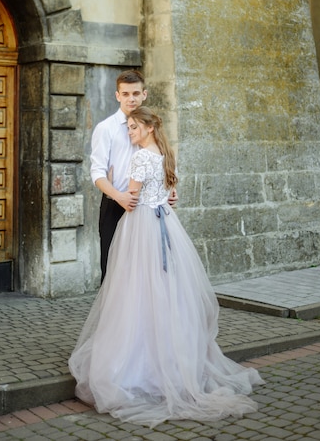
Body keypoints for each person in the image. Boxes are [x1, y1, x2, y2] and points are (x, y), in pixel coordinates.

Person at [69, 107, 264, 428]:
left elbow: (132, 197)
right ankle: (172, 361)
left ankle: (138, 367)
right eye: (128, 127)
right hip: (167, 225)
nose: (129, 132)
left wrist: (123, 191)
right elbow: (169, 193)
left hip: (142, 228)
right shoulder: (164, 154)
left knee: (135, 292)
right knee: (166, 292)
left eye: (133, 127)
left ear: (147, 128)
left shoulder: (141, 157)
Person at [90, 69, 176, 281]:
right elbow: (97, 172)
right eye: (126, 94)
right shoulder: (106, 128)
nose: (131, 99)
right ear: (117, 95)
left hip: (148, 211)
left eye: (136, 93)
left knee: (149, 272)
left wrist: (170, 190)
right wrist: (119, 196)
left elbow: (163, 159)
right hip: (116, 206)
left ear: (144, 94)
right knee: (113, 271)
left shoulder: (151, 125)